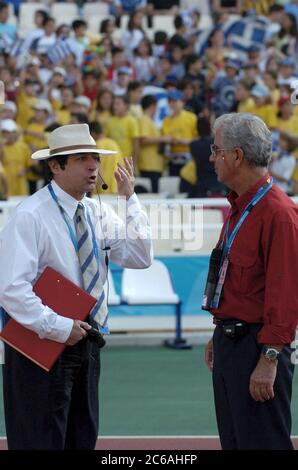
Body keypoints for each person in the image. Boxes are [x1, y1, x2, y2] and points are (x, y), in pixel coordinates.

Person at [0, 123, 153, 450]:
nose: (93, 166)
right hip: (41, 346)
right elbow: (11, 289)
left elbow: (140, 256)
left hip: (85, 340)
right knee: (39, 439)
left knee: (81, 437)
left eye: (95, 157)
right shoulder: (30, 215)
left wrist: (129, 200)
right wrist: (58, 326)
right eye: (82, 158)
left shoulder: (98, 211)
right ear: (55, 166)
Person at [203, 113, 298, 450]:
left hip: (256, 348)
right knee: (236, 442)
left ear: (237, 156)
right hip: (232, 342)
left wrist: (269, 358)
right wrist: (221, 327)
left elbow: (285, 295)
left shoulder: (278, 214)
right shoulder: (241, 206)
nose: (212, 158)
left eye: (216, 150)